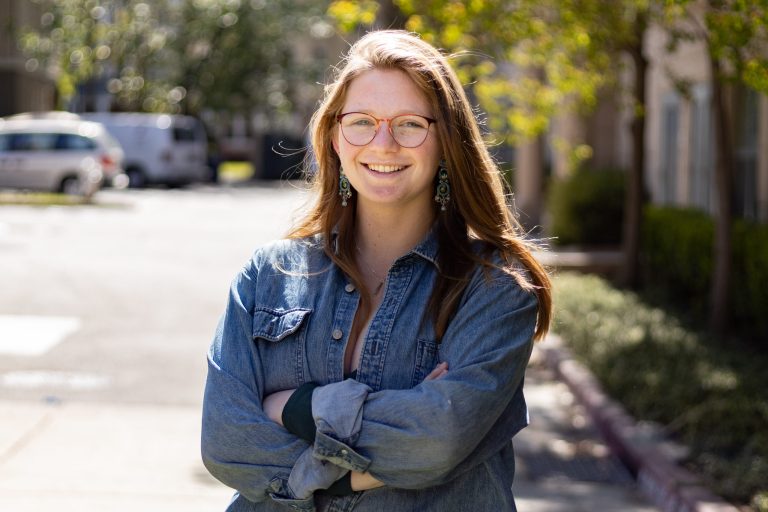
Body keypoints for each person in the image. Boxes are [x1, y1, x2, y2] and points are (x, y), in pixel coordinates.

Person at [201, 30, 552, 511]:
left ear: (446, 141)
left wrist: (293, 408)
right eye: (362, 122)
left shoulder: (495, 289)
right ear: (334, 137)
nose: (383, 144)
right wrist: (386, 444)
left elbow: (436, 441)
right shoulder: (268, 275)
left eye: (410, 125)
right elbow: (225, 441)